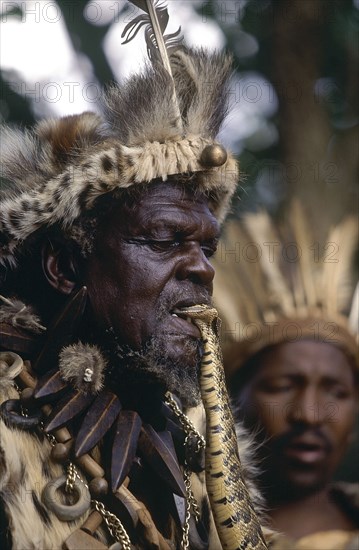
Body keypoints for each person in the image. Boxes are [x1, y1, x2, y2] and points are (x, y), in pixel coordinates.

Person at [0, 3, 273, 549]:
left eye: (207, 246)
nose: (201, 267)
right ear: (66, 266)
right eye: (166, 240)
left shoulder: (190, 437)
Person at [213, 202, 359, 550]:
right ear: (231, 399)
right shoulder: (181, 528)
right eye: (281, 386)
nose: (308, 414)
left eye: (335, 391)